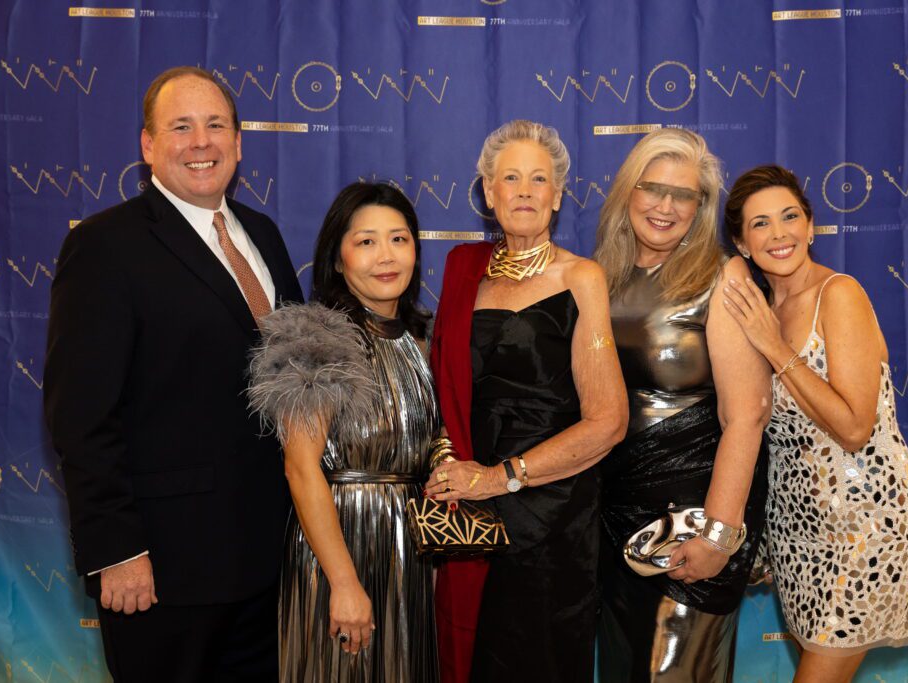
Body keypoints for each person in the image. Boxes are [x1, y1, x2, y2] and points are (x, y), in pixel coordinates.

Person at [43, 67, 303, 681]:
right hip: (164, 572)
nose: (201, 142)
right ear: (148, 145)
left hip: (267, 561)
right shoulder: (106, 246)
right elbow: (80, 417)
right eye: (180, 127)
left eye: (215, 125)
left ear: (239, 142)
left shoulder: (262, 234)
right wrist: (119, 552)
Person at [425, 119, 628, 683]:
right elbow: (447, 392)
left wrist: (503, 477)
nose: (524, 191)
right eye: (509, 178)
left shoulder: (581, 277)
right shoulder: (465, 273)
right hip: (470, 506)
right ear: (488, 192)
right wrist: (456, 470)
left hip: (552, 509)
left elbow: (609, 422)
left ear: (558, 197)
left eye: (539, 180)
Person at [721, 164, 908, 682]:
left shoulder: (839, 294)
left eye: (790, 217)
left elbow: (856, 427)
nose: (780, 233)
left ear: (811, 227)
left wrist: (773, 345)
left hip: (866, 522)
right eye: (760, 224)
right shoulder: (760, 306)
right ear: (742, 245)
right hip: (798, 528)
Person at [592, 128, 772, 682]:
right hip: (617, 519)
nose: (666, 207)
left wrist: (719, 535)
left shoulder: (724, 277)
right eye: (654, 189)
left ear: (701, 208)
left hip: (692, 523)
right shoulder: (602, 275)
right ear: (628, 192)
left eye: (685, 195)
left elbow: (747, 415)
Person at [247, 182, 440, 682]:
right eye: (366, 241)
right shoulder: (316, 340)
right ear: (337, 259)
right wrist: (344, 581)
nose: (386, 256)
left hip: (414, 559)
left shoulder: (428, 340)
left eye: (399, 239)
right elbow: (300, 467)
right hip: (339, 549)